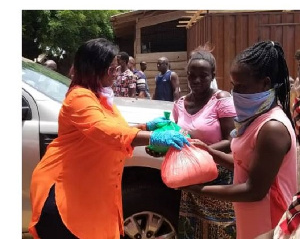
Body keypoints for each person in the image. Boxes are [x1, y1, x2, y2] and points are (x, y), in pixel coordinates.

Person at [28, 38, 190, 239]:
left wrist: (145, 127)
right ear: (94, 69)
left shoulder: (100, 97)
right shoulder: (79, 98)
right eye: (112, 70)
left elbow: (116, 128)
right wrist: (154, 137)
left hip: (89, 193)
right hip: (65, 193)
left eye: (117, 69)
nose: (116, 74)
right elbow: (105, 131)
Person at [181, 40, 297, 239]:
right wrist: (210, 153)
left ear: (265, 83)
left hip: (269, 220)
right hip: (251, 217)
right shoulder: (255, 119)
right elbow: (246, 167)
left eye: (242, 86)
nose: (236, 94)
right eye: (234, 86)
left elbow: (254, 190)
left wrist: (199, 189)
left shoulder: (272, 128)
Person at [173, 45, 237, 238]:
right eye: (192, 75)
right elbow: (177, 136)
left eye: (203, 75)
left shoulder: (221, 99)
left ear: (213, 75)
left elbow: (231, 139)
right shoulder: (179, 104)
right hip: (191, 177)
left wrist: (202, 151)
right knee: (191, 229)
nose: (197, 80)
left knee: (220, 230)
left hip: (219, 177)